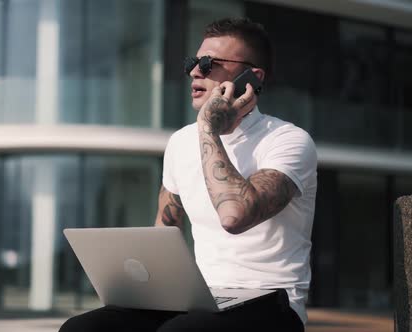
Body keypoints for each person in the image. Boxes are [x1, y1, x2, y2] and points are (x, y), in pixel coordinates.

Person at [60, 17, 316, 332]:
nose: (195, 71)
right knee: (83, 328)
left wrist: (209, 128)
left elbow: (235, 216)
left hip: (273, 303)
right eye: (193, 62)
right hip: (202, 299)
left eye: (209, 64)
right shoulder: (180, 142)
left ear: (253, 77)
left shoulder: (288, 140)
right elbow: (164, 230)